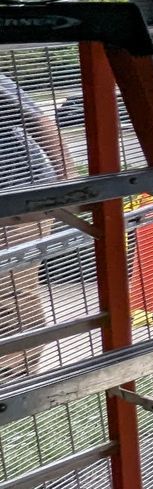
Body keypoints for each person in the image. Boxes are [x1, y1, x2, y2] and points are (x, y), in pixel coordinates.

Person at [1, 70, 70, 378]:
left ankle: (19, 382)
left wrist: (67, 184)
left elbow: (37, 121)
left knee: (10, 291)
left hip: (20, 198)